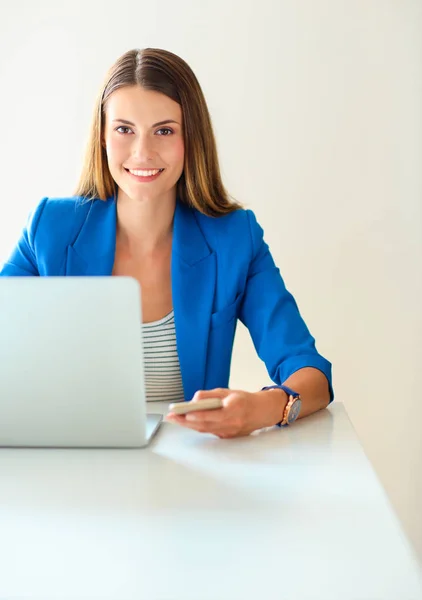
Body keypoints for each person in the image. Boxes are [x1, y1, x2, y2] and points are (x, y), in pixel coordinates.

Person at [0, 47, 333, 439]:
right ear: (102, 137)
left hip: (186, 464)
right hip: (71, 458)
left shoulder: (234, 238)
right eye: (124, 129)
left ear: (191, 139)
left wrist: (262, 408)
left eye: (164, 130)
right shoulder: (50, 229)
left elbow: (310, 371)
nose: (143, 152)